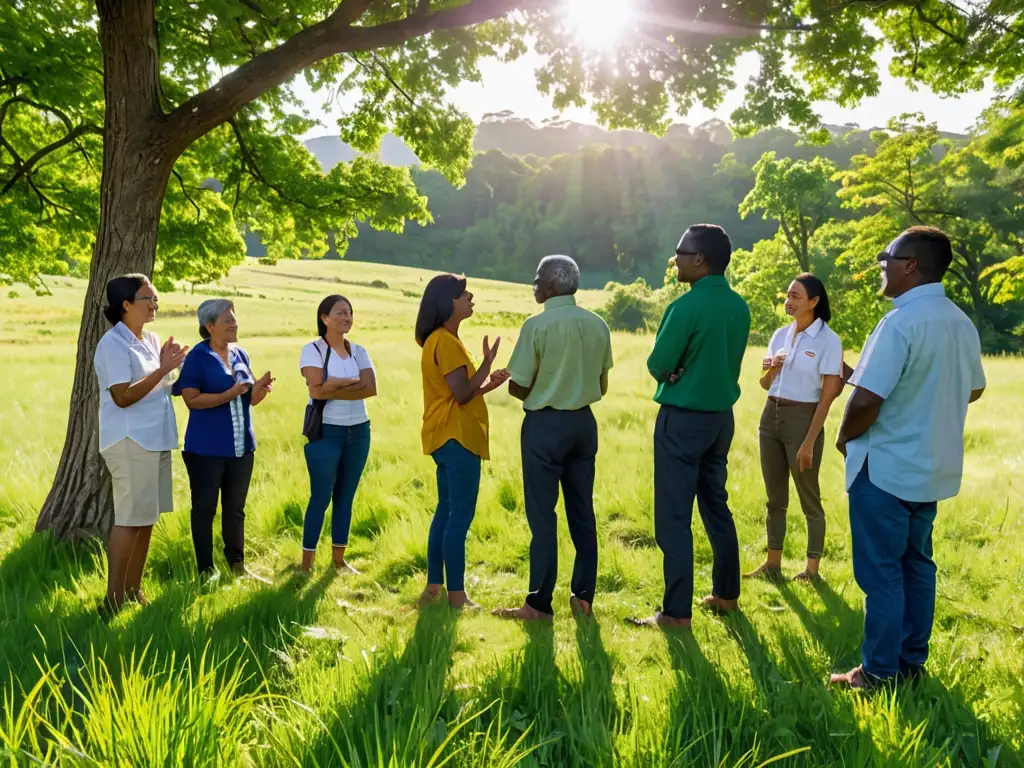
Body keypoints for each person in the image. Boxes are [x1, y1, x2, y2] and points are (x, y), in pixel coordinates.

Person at [831, 227, 985, 690]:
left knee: (880, 573)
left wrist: (843, 438)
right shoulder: (960, 321)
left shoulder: (900, 322)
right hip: (931, 468)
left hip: (885, 469)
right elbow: (973, 387)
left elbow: (865, 401)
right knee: (917, 565)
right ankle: (910, 664)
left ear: (910, 265)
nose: (883, 264)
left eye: (889, 257)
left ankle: (878, 672)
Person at [632, 224, 751, 629]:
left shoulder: (684, 308)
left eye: (681, 252)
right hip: (721, 420)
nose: (676, 258)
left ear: (699, 259)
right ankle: (726, 594)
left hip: (682, 421)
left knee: (673, 517)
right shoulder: (740, 306)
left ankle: (675, 613)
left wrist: (674, 372)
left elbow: (658, 365)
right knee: (716, 505)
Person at [493, 256, 614, 622]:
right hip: (583, 425)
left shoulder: (537, 325)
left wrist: (517, 385)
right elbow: (602, 385)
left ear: (550, 286)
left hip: (545, 427)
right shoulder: (598, 324)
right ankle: (583, 598)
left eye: (536, 279)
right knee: (582, 513)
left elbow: (521, 385)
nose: (533, 285)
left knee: (543, 516)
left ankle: (539, 605)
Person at [93, 274, 186, 613]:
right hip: (131, 441)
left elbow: (157, 384)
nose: (155, 304)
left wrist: (172, 368)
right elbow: (123, 396)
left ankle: (133, 590)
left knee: (146, 518)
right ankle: (113, 598)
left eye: (156, 298)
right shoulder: (112, 344)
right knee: (130, 519)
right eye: (148, 299)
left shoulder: (150, 339)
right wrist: (162, 371)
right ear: (126, 305)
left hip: (155, 438)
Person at [416, 274, 509, 609]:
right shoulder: (446, 342)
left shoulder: (438, 341)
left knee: (445, 512)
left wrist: (486, 383)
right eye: (462, 293)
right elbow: (462, 392)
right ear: (447, 302)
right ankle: (457, 596)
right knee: (459, 516)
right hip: (457, 437)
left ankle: (434, 589)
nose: (470, 296)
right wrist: (486, 365)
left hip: (444, 435)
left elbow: (461, 394)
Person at [745, 274, 844, 583]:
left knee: (809, 498)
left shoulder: (828, 341)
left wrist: (809, 442)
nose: (789, 301)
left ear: (814, 302)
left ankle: (811, 571)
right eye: (787, 295)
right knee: (775, 497)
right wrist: (773, 366)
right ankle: (772, 564)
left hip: (804, 421)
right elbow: (764, 384)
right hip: (770, 416)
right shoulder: (780, 335)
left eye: (796, 296)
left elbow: (828, 397)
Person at [172, 299, 274, 583]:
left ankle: (237, 564)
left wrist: (261, 388)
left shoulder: (241, 354)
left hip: (242, 447)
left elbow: (248, 399)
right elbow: (191, 400)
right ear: (210, 326)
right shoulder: (198, 357)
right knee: (205, 509)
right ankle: (206, 570)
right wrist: (230, 393)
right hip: (206, 450)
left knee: (235, 509)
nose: (234, 324)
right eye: (227, 320)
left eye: (234, 318)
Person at [298, 295, 377, 574]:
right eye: (340, 312)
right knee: (320, 497)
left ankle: (339, 562)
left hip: (359, 431)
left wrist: (333, 385)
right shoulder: (313, 350)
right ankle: (306, 564)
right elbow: (316, 390)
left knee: (345, 498)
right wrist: (353, 381)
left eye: (350, 313)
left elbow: (371, 388)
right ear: (325, 318)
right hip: (326, 432)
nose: (347, 317)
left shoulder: (359, 351)